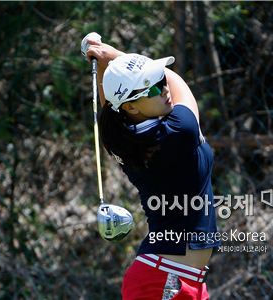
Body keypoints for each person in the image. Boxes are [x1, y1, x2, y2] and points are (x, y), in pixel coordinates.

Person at [84, 37, 220, 300]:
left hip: (180, 279)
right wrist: (115, 55)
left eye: (160, 80)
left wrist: (105, 64)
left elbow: (110, 106)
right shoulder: (178, 131)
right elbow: (178, 82)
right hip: (164, 280)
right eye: (153, 87)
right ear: (132, 105)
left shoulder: (123, 137)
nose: (164, 87)